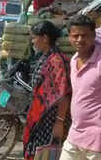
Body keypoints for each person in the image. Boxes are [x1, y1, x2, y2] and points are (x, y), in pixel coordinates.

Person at [59, 15, 101, 160]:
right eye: (75, 35)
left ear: (93, 36)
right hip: (75, 136)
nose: (79, 40)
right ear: (69, 37)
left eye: (84, 35)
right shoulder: (73, 60)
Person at [23, 20, 72, 160]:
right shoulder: (45, 56)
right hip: (40, 116)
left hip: (50, 120)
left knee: (45, 154)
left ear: (45, 38)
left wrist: (59, 122)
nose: (32, 41)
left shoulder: (57, 60)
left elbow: (64, 94)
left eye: (34, 37)